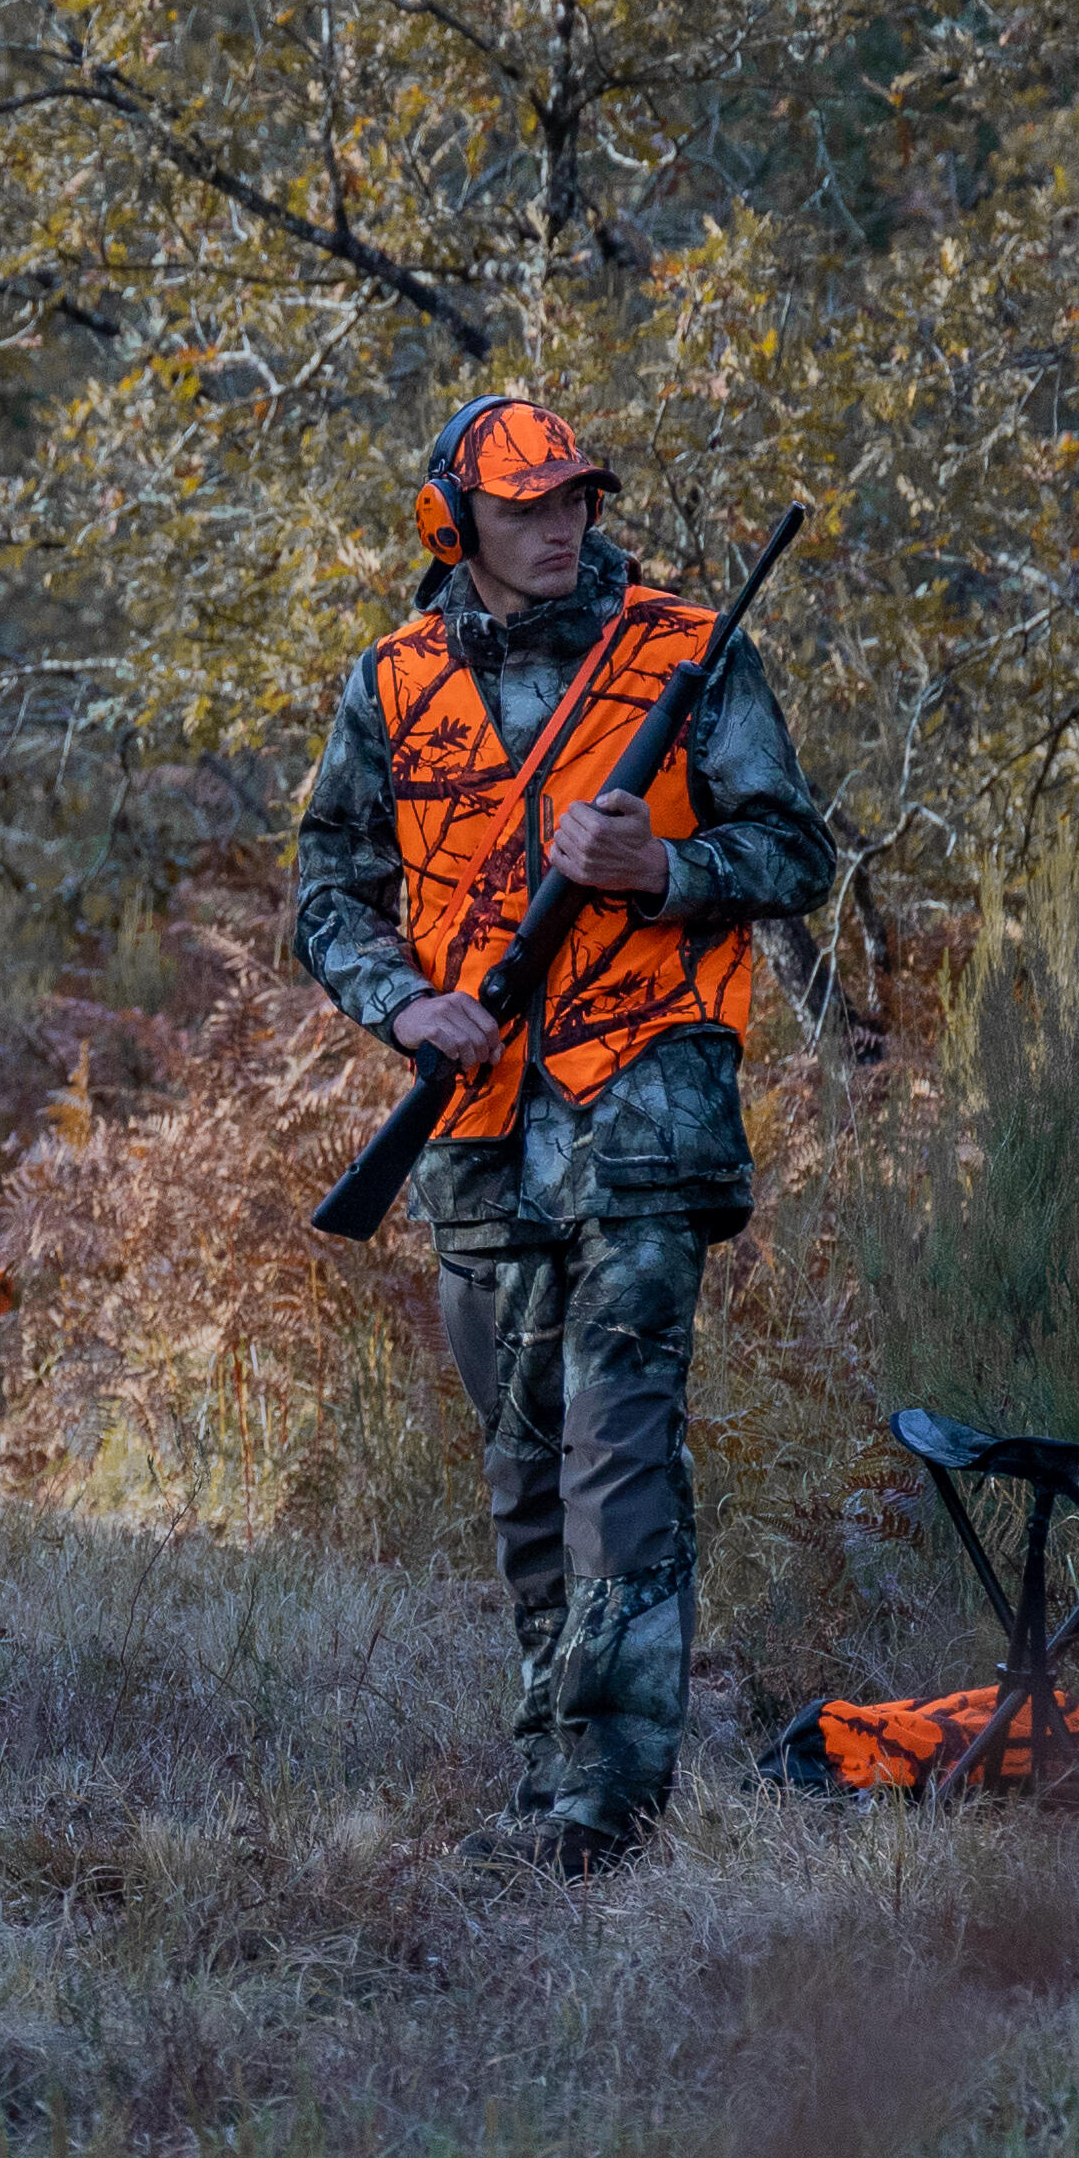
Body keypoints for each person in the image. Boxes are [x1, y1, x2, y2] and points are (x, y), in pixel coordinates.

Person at [292, 393, 837, 1872]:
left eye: (575, 499)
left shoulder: (685, 649)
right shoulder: (390, 684)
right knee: (522, 1465)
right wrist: (406, 1008)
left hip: (649, 1108)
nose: (559, 526)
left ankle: (610, 1801)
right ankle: (549, 1773)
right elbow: (326, 892)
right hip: (472, 1125)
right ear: (451, 522)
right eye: (527, 506)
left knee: (616, 1454)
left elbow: (795, 852)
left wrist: (664, 867)